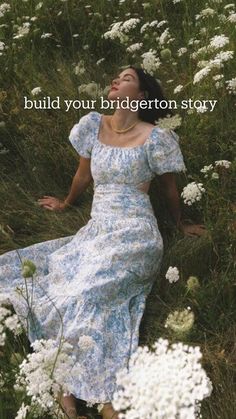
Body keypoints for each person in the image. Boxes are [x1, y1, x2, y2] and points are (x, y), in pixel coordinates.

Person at [0, 66, 206, 419]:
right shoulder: (93, 125)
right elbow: (83, 173)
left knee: (91, 292)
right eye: (116, 76)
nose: (115, 80)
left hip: (136, 232)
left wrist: (180, 222)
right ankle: (72, 399)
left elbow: (169, 189)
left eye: (127, 78)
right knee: (62, 288)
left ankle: (100, 395)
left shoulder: (154, 138)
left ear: (141, 97)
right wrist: (66, 202)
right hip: (98, 229)